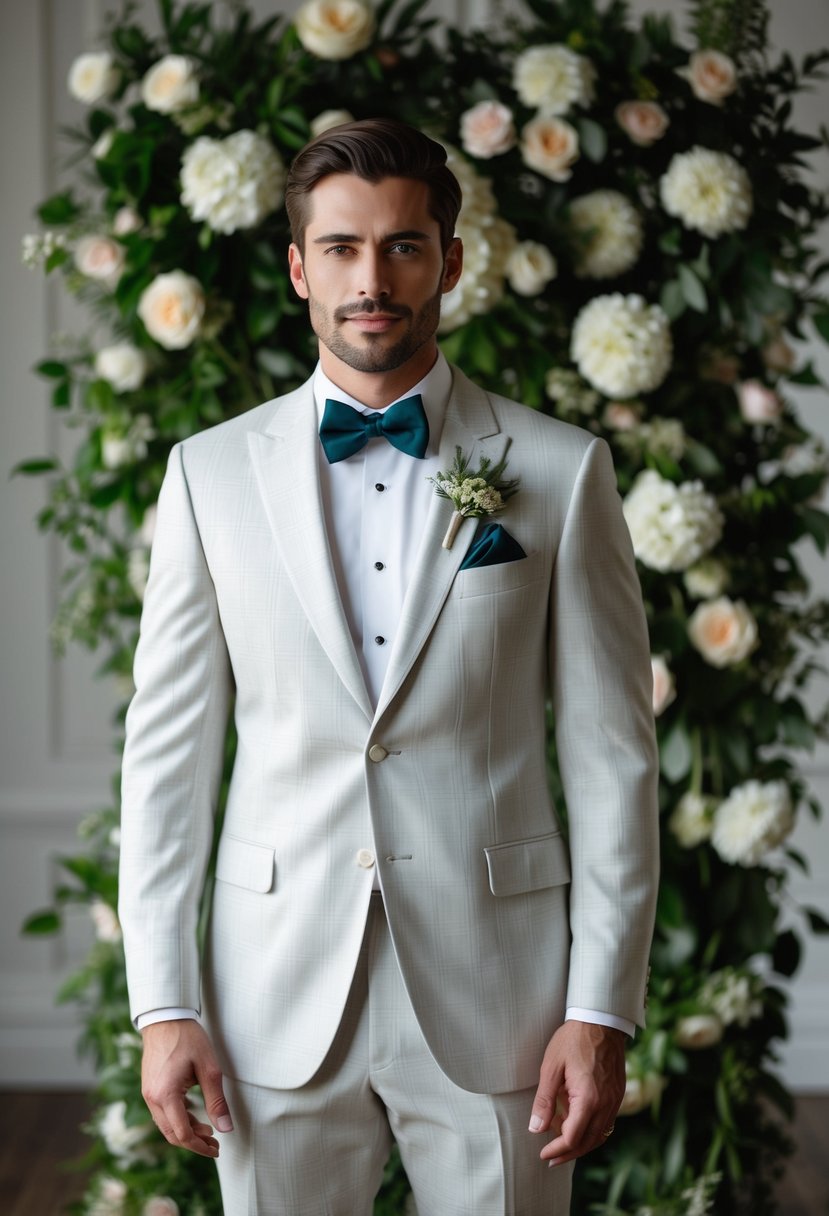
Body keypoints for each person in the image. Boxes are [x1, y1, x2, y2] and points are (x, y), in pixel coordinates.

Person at [119, 117, 659, 1215]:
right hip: (267, 997)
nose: (373, 278)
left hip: (500, 990)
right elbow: (165, 764)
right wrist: (164, 1002)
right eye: (341, 248)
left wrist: (600, 1011)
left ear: (449, 261)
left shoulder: (559, 472)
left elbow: (613, 759)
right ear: (297, 267)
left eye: (404, 246)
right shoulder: (208, 477)